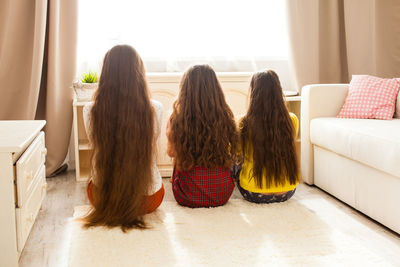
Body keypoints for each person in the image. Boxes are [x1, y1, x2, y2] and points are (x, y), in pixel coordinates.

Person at [82, 45, 164, 231]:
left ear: (106, 73)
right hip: (149, 200)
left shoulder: (90, 110)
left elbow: (95, 143)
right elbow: (153, 143)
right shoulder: (155, 109)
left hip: (101, 197)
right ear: (139, 73)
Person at [166, 64, 238, 208]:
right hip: (222, 194)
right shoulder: (225, 117)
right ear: (216, 90)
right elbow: (233, 149)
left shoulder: (177, 119)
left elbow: (171, 152)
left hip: (187, 195)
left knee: (178, 157)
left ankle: (183, 180)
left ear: (185, 90)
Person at [234, 70, 299, 203]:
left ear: (253, 93)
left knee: (234, 162)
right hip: (287, 192)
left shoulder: (243, 122)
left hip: (253, 192)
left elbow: (236, 152)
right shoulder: (292, 120)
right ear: (278, 91)